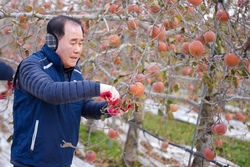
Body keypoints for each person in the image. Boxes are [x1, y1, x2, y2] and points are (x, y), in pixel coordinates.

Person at [10, 15, 121, 167]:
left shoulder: (75, 71)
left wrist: (110, 109)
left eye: (81, 43)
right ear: (52, 42)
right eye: (73, 42)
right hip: (31, 162)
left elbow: (84, 107)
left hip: (63, 162)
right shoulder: (31, 66)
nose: (78, 50)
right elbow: (50, 92)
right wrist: (97, 87)